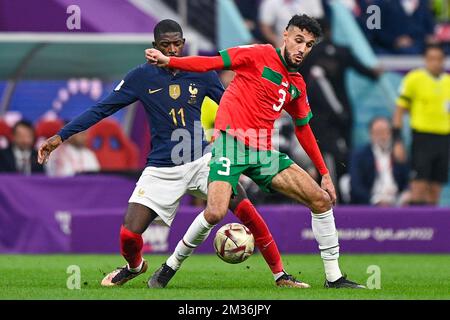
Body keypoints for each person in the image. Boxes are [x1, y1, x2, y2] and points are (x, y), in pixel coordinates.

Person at [38, 20, 305, 289]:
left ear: (183, 43)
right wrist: (61, 136)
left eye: (177, 43)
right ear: (155, 47)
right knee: (129, 234)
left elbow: (231, 105)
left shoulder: (201, 73)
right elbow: (101, 109)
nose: (173, 49)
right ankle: (134, 267)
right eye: (166, 44)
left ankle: (280, 276)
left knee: (246, 209)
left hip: (202, 160)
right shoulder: (140, 77)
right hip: (162, 168)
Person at [146, 14, 365, 288]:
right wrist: (171, 61)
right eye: (298, 40)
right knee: (214, 212)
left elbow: (304, 130)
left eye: (308, 45)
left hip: (262, 150)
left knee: (320, 200)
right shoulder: (257, 54)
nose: (302, 49)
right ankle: (169, 268)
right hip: (230, 144)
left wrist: (325, 173)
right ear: (285, 35)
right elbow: (210, 63)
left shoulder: (297, 85)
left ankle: (334, 278)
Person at [299, 18, 381, 197]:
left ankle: (325, 196)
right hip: (342, 114)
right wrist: (375, 73)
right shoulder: (343, 52)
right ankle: (344, 195)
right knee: (343, 156)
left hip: (317, 116)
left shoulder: (307, 54)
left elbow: (294, 77)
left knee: (320, 156)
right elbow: (365, 70)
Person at [393, 44, 450, 205]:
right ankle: (415, 225)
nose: (436, 63)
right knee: (419, 185)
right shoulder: (414, 79)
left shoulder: (448, 82)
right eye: (432, 59)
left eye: (439, 59)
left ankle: (433, 227)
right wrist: (397, 140)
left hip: (444, 139)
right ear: (426, 60)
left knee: (436, 188)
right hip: (422, 138)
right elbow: (399, 111)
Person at [350, 117, 410, 205]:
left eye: (385, 132)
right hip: (371, 203)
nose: (382, 136)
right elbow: (356, 186)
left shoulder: (399, 153)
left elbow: (408, 180)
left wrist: (404, 196)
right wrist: (375, 200)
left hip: (397, 202)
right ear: (371, 134)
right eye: (378, 132)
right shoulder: (360, 155)